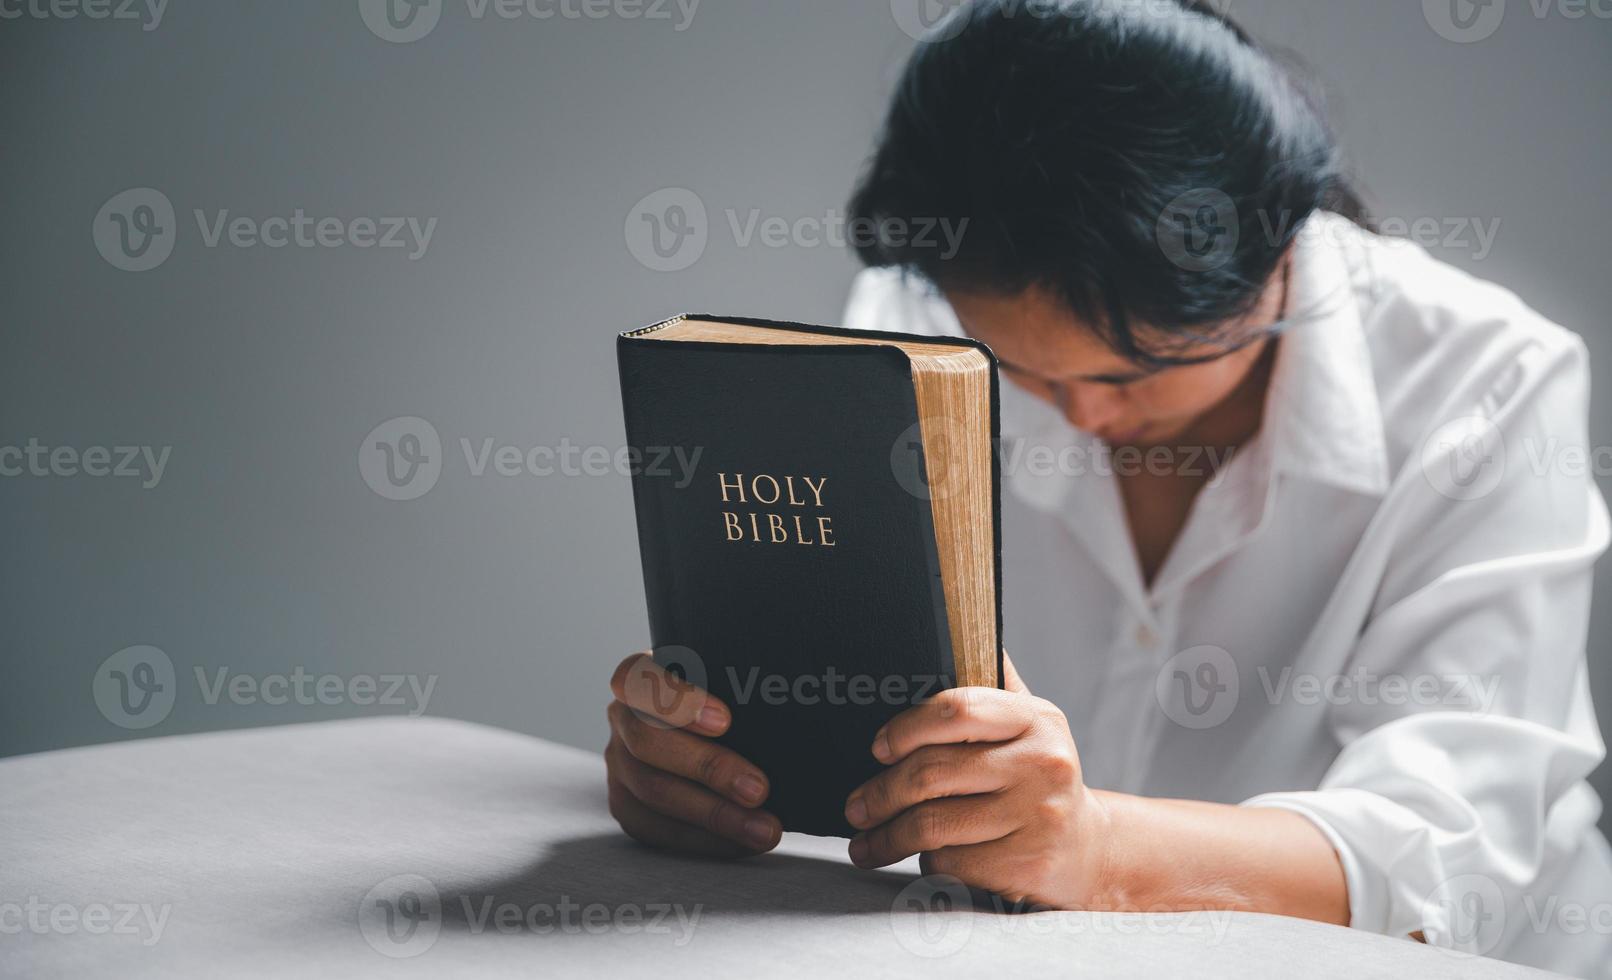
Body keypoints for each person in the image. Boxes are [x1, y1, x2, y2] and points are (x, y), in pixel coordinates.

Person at [603, 1, 1610, 973]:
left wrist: (1100, 846)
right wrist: (721, 771)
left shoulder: (1489, 384)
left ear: (1276, 259)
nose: (1082, 421)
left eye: (1131, 373)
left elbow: (1448, 847)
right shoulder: (921, 340)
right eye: (1025, 372)